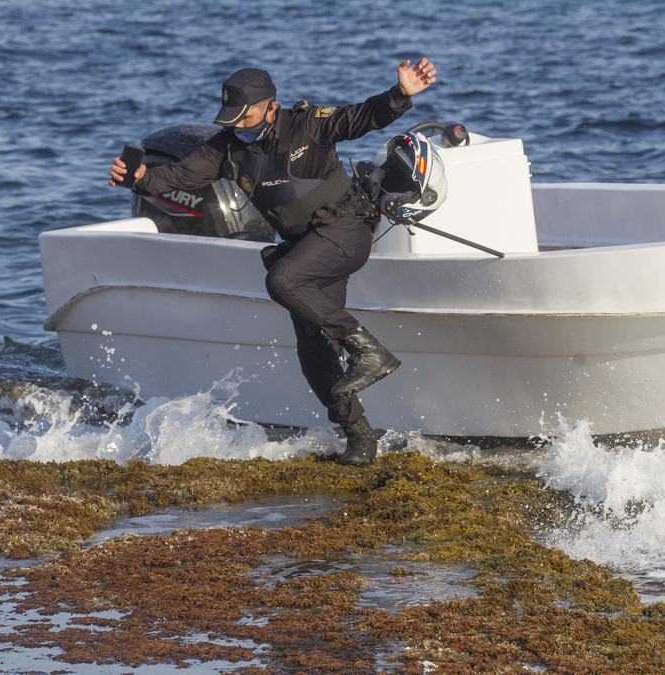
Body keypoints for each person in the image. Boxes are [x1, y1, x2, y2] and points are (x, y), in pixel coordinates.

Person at [109, 58, 437, 466]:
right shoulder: (226, 147)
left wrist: (400, 94)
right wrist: (139, 177)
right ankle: (360, 438)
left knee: (282, 281)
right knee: (313, 354)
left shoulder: (308, 124)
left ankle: (368, 351)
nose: (239, 127)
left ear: (271, 107)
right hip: (303, 247)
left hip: (344, 232)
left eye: (246, 118)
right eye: (232, 119)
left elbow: (361, 117)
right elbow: (179, 176)